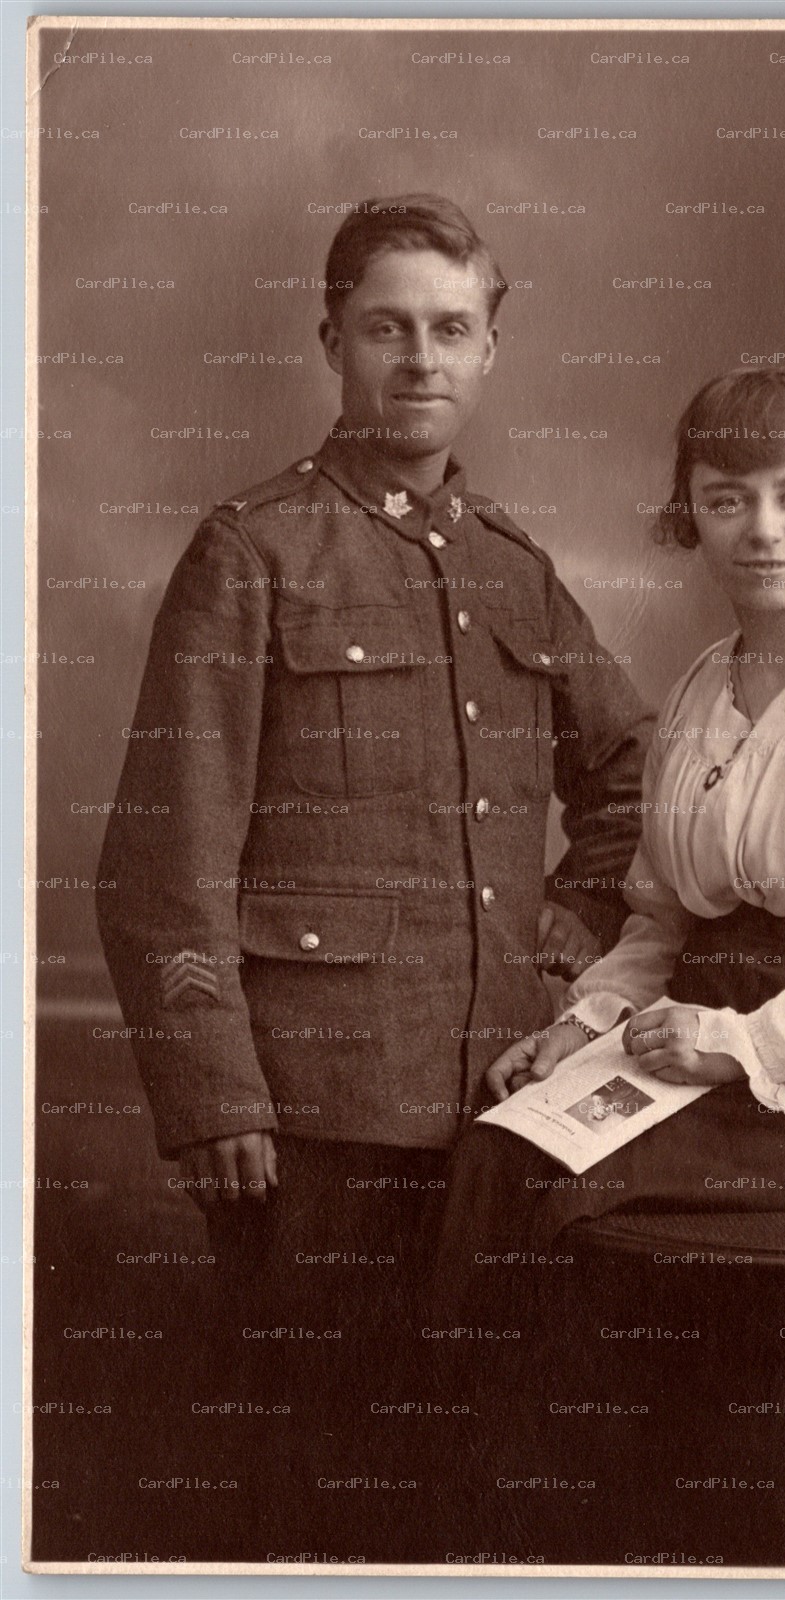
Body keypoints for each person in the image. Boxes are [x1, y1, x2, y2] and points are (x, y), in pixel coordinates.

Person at [95, 194, 653, 1328]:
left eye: (451, 329)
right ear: (331, 341)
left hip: (507, 1101)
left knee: (478, 1413)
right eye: (385, 326)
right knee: (316, 1418)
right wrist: (212, 1093)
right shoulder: (254, 551)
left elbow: (640, 774)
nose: (419, 359)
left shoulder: (512, 568)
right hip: (309, 1110)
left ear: (489, 351)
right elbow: (165, 853)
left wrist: (577, 915)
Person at [434, 366, 785, 1308]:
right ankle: (464, 1410)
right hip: (686, 1036)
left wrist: (744, 1044)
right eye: (728, 500)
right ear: (689, 516)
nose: (763, 530)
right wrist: (577, 1028)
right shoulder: (698, 693)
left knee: (563, 1195)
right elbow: (659, 923)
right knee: (498, 1145)